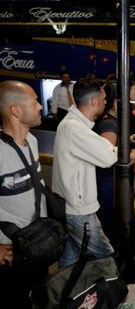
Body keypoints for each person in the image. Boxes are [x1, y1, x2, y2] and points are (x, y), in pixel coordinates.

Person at [52, 77, 118, 268]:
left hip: (71, 206)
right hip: (78, 209)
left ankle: (65, 295)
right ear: (94, 101)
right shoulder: (74, 128)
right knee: (105, 257)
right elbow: (107, 157)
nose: (106, 102)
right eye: (104, 98)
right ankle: (112, 294)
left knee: (70, 260)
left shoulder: (75, 125)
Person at [0, 80, 47, 307]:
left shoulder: (32, 141)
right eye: (35, 101)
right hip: (9, 252)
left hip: (36, 246)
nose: (40, 107)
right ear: (16, 110)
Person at [94, 82, 135, 240]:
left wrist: (131, 138)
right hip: (107, 180)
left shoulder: (113, 121)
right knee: (109, 219)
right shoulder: (109, 124)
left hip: (110, 179)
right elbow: (107, 155)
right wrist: (132, 154)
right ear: (117, 102)